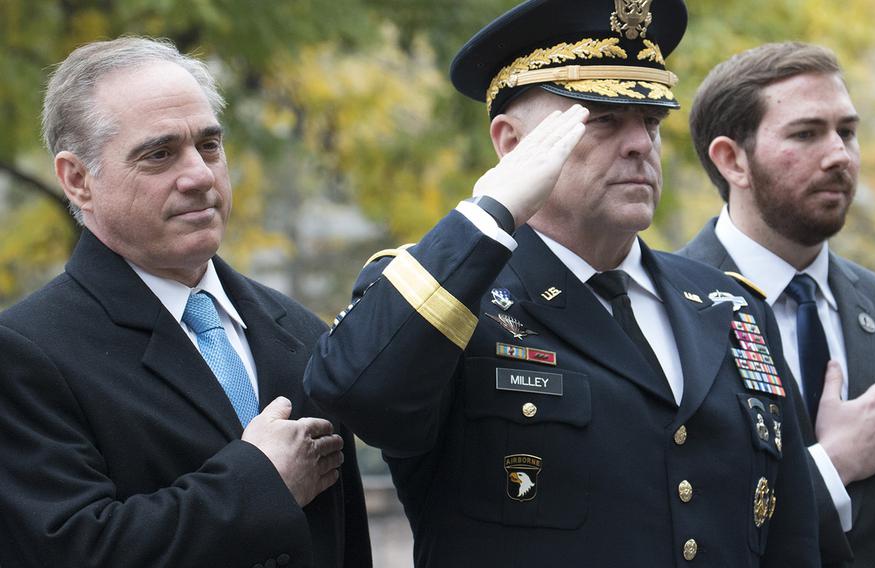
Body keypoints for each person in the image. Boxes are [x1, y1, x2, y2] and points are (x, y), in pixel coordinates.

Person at [305, 1, 820, 566]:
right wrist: (491, 211)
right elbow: (356, 394)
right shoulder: (446, 290)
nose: (641, 144)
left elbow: (796, 537)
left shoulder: (731, 305)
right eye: (601, 119)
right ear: (509, 143)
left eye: (650, 121)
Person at [0, 37, 371, 568]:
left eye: (210, 145)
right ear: (78, 180)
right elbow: (73, 551)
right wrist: (260, 482)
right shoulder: (24, 353)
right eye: (159, 153)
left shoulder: (301, 333)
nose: (199, 175)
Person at [678, 41, 875, 567]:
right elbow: (673, 513)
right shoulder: (661, 310)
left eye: (846, 132)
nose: (839, 156)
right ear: (731, 159)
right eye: (806, 134)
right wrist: (831, 465)